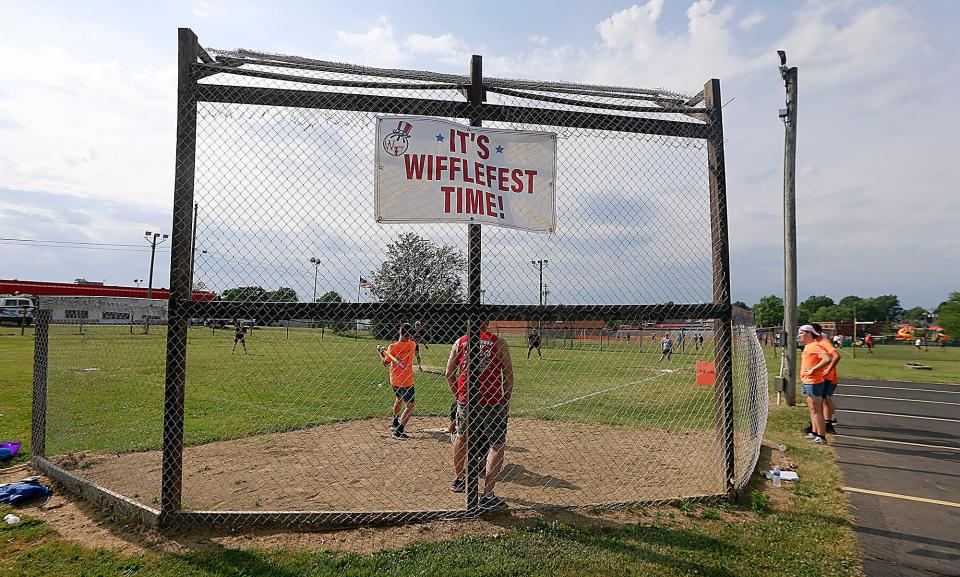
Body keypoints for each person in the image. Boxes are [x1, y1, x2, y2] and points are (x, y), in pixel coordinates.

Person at [445, 320, 514, 510]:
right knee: (496, 444)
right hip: (492, 400)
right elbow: (507, 376)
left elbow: (449, 373)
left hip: (467, 400)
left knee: (462, 437)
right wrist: (505, 400)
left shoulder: (460, 342)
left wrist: (458, 394)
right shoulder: (499, 343)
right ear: (487, 322)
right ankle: (488, 494)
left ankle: (459, 480)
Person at [378, 323, 418, 440]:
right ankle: (399, 431)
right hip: (406, 381)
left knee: (399, 398)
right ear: (409, 335)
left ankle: (395, 423)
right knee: (410, 405)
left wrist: (381, 352)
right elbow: (403, 348)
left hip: (394, 379)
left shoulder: (392, 347)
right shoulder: (412, 344)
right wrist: (386, 351)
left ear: (400, 332)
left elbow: (386, 363)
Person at [799, 325, 832, 445]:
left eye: (801, 332)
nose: (799, 335)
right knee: (812, 409)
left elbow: (827, 358)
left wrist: (813, 369)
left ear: (809, 333)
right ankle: (814, 433)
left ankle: (821, 436)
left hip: (814, 382)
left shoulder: (814, 346)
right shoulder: (808, 346)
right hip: (807, 382)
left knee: (817, 410)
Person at [811, 323, 842, 434]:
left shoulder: (824, 342)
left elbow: (836, 356)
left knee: (824, 400)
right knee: (822, 400)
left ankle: (828, 422)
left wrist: (828, 369)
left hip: (828, 377)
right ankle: (827, 420)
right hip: (820, 377)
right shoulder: (815, 343)